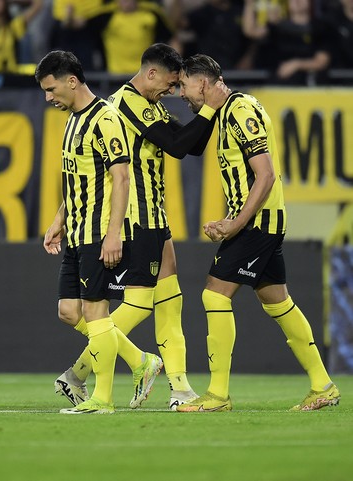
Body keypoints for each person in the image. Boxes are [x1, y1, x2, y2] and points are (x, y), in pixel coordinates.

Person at [54, 43, 229, 411]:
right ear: (150, 73)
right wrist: (212, 106)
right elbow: (178, 146)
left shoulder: (150, 103)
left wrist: (207, 111)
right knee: (136, 305)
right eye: (169, 82)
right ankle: (85, 371)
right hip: (133, 216)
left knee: (170, 301)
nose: (172, 90)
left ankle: (178, 388)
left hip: (154, 215)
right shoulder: (127, 103)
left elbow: (190, 146)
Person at [176, 54, 340, 412]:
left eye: (184, 85)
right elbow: (249, 180)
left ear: (203, 83)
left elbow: (264, 175)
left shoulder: (239, 110)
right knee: (278, 303)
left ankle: (218, 395)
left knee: (214, 296)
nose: (182, 94)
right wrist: (227, 218)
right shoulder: (230, 112)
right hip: (258, 220)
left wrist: (236, 224)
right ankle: (322, 385)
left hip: (258, 223)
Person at [36, 49, 148, 414]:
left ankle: (103, 398)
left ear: (72, 80)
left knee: (96, 311)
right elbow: (77, 181)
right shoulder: (71, 121)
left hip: (100, 232)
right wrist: (59, 220)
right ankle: (141, 362)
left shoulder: (105, 119)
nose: (48, 98)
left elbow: (121, 176)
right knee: (69, 311)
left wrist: (114, 234)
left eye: (51, 89)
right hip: (77, 231)